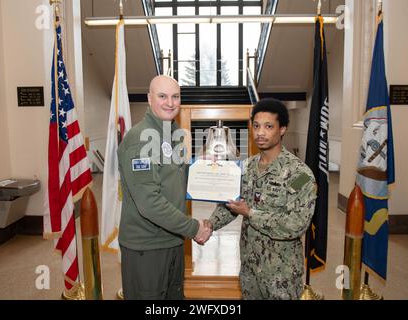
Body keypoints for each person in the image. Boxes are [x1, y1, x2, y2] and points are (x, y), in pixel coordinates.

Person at [207, 98, 317, 300]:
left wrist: (250, 213)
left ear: (282, 129)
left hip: (281, 276)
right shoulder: (246, 167)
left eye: (268, 126)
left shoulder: (300, 175)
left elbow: (296, 225)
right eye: (256, 126)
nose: (260, 133)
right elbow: (231, 204)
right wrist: (209, 225)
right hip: (250, 271)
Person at [117, 75, 212, 300]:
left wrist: (205, 166)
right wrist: (193, 228)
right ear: (150, 99)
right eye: (162, 96)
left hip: (171, 239)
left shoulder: (172, 134)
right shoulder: (140, 139)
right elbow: (149, 202)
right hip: (147, 246)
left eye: (175, 96)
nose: (170, 103)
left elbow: (177, 176)